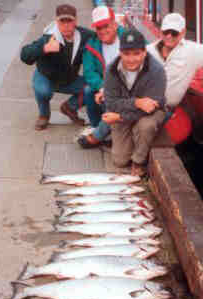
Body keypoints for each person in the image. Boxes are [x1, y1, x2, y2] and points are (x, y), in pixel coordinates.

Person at [103, 28, 167, 176]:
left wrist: (120, 117)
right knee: (119, 161)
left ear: (144, 52)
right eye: (126, 54)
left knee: (146, 125)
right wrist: (136, 102)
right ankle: (133, 134)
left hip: (151, 113)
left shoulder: (157, 71)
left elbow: (151, 108)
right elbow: (111, 103)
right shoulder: (111, 70)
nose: (131, 59)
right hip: (126, 111)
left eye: (137, 54)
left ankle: (138, 162)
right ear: (120, 52)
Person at [20, 4, 94, 130]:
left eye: (69, 21)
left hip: (69, 79)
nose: (66, 25)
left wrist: (120, 28)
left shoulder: (84, 35)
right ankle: (44, 115)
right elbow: (25, 54)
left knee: (93, 88)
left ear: (75, 21)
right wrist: (44, 48)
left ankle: (70, 107)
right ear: (56, 21)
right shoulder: (48, 38)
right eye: (62, 21)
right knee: (43, 91)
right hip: (45, 77)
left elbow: (103, 35)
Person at [77, 5, 125, 149]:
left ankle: (99, 134)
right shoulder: (91, 45)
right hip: (105, 88)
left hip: (127, 87)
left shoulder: (130, 37)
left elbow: (147, 55)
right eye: (99, 28)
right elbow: (89, 73)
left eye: (106, 26)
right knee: (88, 91)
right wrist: (102, 87)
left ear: (115, 24)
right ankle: (96, 125)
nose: (103, 31)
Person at [147, 12, 203, 110]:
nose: (169, 36)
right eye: (166, 32)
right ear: (161, 31)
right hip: (140, 104)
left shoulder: (192, 51)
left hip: (163, 110)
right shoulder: (147, 51)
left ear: (183, 32)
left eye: (174, 33)